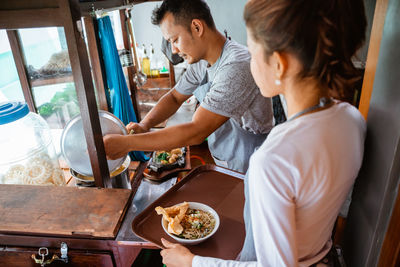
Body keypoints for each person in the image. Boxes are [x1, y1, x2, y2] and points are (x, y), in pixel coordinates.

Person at [159, 0, 367, 266]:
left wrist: (191, 262)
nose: (249, 59)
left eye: (253, 51)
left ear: (278, 64)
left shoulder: (272, 160)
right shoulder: (352, 120)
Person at [103, 0, 274, 173]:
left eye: (175, 40)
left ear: (197, 27)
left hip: (252, 164)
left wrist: (127, 144)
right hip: (227, 159)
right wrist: (145, 124)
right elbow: (174, 97)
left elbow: (196, 131)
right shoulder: (201, 63)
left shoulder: (237, 65)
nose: (174, 50)